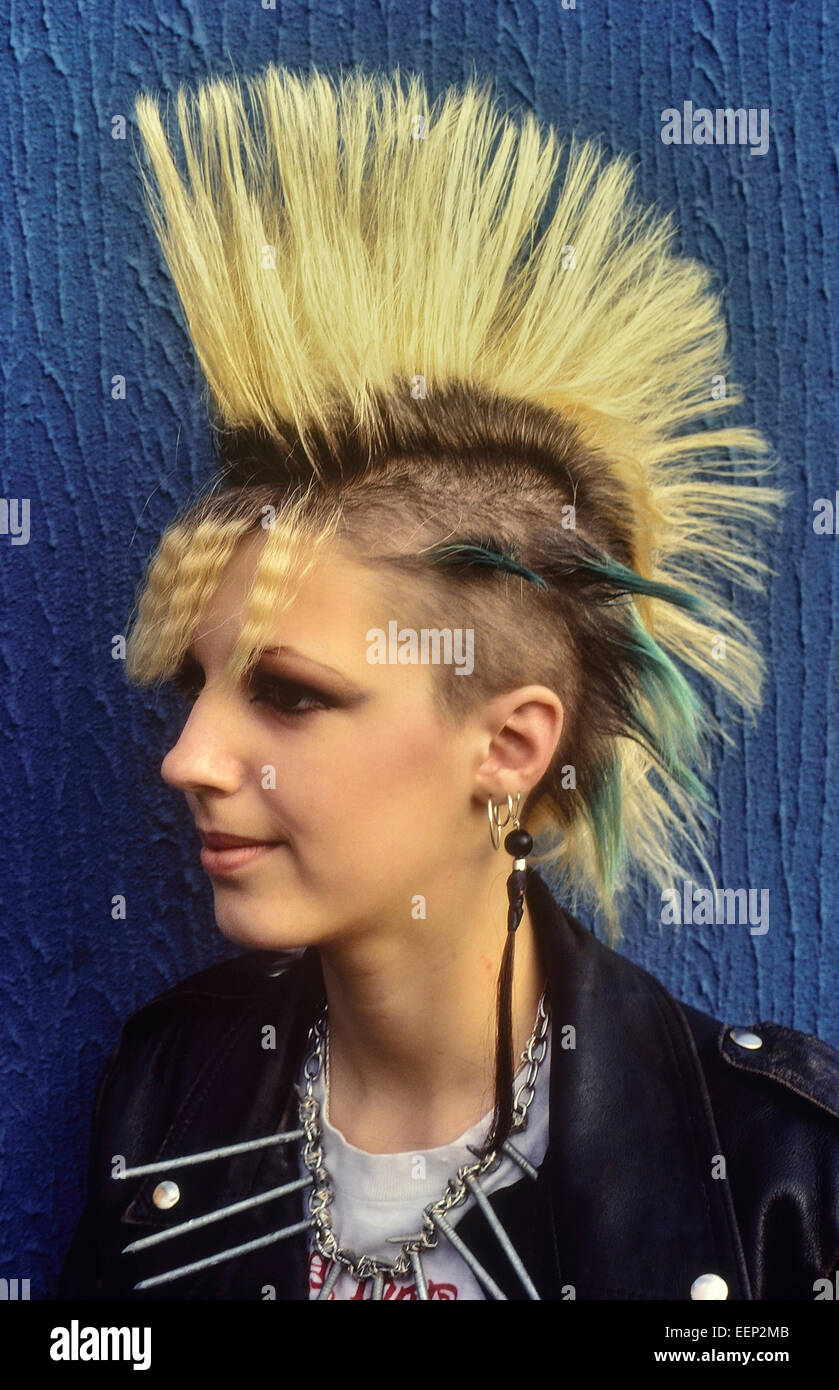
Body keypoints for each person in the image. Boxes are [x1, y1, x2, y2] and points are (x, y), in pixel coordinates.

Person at [59, 62, 838, 1301]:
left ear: (511, 747)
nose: (188, 757)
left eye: (290, 693)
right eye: (194, 688)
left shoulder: (773, 1176)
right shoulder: (165, 1095)